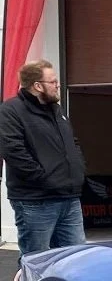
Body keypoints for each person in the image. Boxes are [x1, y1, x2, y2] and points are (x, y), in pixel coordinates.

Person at [0, 59, 87, 257]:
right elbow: (13, 152)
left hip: (69, 198)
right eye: (53, 82)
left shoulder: (57, 110)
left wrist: (78, 170)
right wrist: (44, 179)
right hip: (35, 201)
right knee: (36, 260)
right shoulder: (10, 111)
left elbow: (72, 143)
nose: (58, 85)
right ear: (37, 86)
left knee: (76, 258)